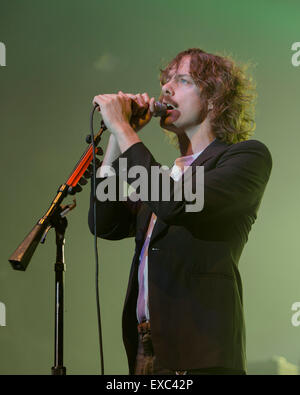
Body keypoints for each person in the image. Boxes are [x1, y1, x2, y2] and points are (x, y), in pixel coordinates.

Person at [88, 48, 272, 375]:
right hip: (146, 347)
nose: (166, 89)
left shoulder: (246, 158)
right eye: (166, 80)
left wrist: (124, 130)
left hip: (199, 350)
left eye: (182, 80)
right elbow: (104, 222)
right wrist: (117, 140)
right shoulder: (165, 175)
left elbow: (176, 203)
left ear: (216, 98)